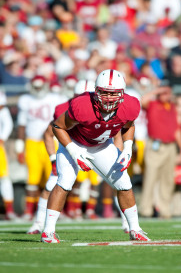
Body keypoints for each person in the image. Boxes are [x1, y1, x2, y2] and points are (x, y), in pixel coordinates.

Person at [41, 69, 150, 243]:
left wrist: (128, 148)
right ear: (96, 91)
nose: (108, 97)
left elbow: (128, 125)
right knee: (65, 181)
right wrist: (73, 151)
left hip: (101, 146)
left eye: (113, 93)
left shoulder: (131, 105)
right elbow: (57, 127)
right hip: (75, 143)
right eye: (104, 92)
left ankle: (135, 229)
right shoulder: (82, 105)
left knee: (124, 183)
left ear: (122, 93)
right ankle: (48, 231)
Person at [27, 79, 96, 233]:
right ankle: (39, 223)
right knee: (51, 185)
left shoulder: (102, 107)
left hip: (95, 149)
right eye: (80, 96)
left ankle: (130, 224)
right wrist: (53, 159)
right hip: (69, 150)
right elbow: (48, 133)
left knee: (119, 179)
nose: (84, 100)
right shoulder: (65, 108)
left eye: (88, 96)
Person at [15, 75, 65, 220]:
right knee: (33, 178)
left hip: (51, 142)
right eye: (35, 87)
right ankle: (29, 212)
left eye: (40, 86)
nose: (38, 90)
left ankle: (56, 210)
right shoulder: (26, 100)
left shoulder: (55, 98)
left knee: (53, 178)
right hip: (32, 142)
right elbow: (22, 125)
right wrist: (19, 148)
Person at [140, 84, 181, 218]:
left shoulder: (172, 108)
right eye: (164, 93)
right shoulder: (153, 104)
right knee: (150, 177)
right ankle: (146, 209)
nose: (167, 95)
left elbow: (176, 129)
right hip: (156, 145)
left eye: (168, 93)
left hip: (170, 146)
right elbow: (143, 100)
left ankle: (165, 209)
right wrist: (157, 90)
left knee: (168, 179)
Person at [0, 91, 17, 220]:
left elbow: (8, 124)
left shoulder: (3, 109)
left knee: (4, 178)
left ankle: (9, 210)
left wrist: (2, 138)